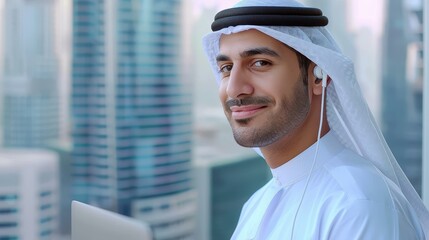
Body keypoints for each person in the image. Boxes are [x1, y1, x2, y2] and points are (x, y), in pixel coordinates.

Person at [202, 0, 429, 239]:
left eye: (260, 63)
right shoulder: (256, 204)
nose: (234, 89)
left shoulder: (357, 205)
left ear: (318, 77)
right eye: (226, 68)